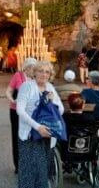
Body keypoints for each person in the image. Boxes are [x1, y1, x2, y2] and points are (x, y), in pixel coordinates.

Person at [15, 60, 63, 188]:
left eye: (47, 72)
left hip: (47, 136)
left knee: (43, 173)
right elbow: (20, 110)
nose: (44, 74)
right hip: (31, 136)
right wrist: (38, 127)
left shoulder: (50, 87)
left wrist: (52, 102)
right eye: (40, 71)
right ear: (34, 72)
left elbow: (61, 109)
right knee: (30, 172)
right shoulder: (27, 87)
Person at [6, 57, 36, 174]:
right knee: (17, 137)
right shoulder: (18, 76)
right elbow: (8, 91)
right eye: (33, 69)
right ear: (27, 68)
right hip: (16, 111)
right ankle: (18, 165)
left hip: (31, 112)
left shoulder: (36, 78)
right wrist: (13, 100)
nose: (34, 71)